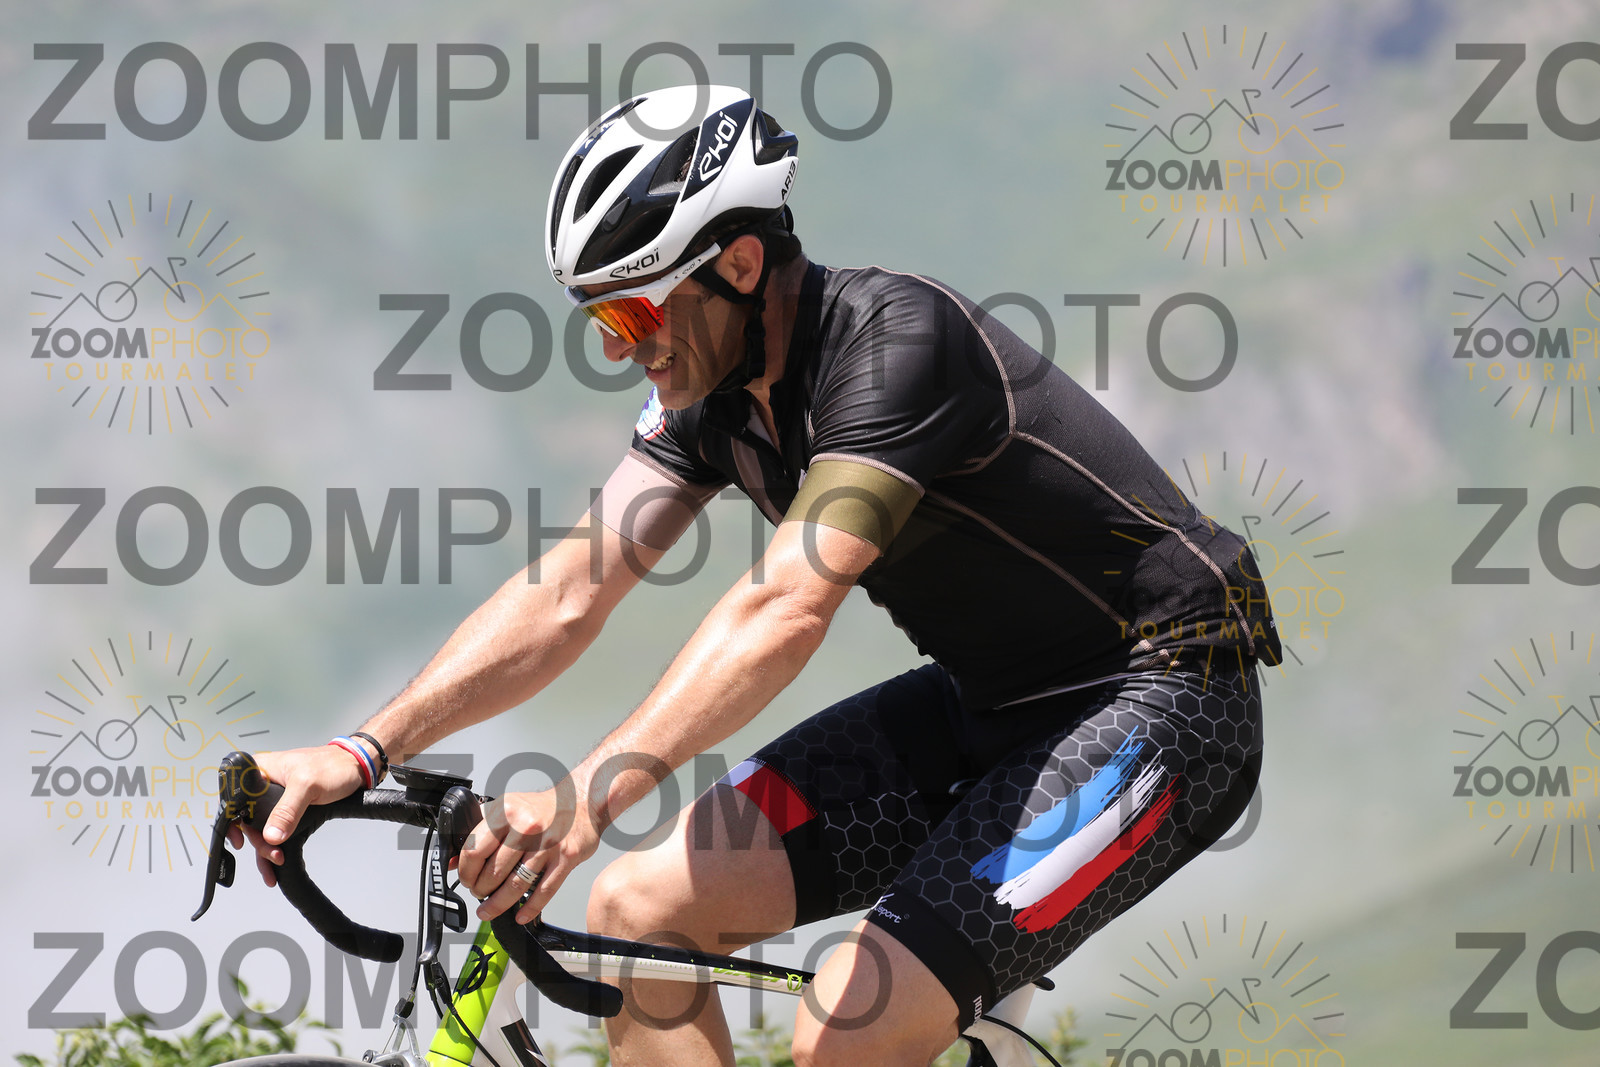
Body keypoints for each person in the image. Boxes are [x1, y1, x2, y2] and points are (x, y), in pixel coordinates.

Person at [234, 84, 1279, 1066]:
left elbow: (786, 604)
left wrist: (589, 795)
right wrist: (362, 749)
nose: (623, 351)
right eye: (602, 323)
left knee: (847, 1022)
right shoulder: (709, 401)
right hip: (985, 702)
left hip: (1163, 698)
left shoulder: (898, 345)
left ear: (738, 263)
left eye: (636, 316)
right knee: (639, 913)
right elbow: (568, 591)